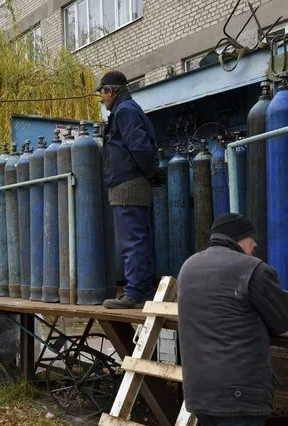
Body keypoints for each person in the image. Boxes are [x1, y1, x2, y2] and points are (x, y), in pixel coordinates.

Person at [178, 213, 288, 426]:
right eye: (251, 237)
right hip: (240, 396)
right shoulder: (253, 270)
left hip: (199, 391)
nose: (254, 244)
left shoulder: (187, 268)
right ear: (239, 237)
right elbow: (282, 319)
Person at [98, 71, 161, 309]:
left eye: (102, 93)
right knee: (139, 238)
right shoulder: (130, 109)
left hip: (127, 184)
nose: (102, 99)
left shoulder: (124, 111)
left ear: (110, 91)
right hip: (133, 183)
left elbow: (139, 147)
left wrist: (148, 172)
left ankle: (134, 292)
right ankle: (141, 289)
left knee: (131, 240)